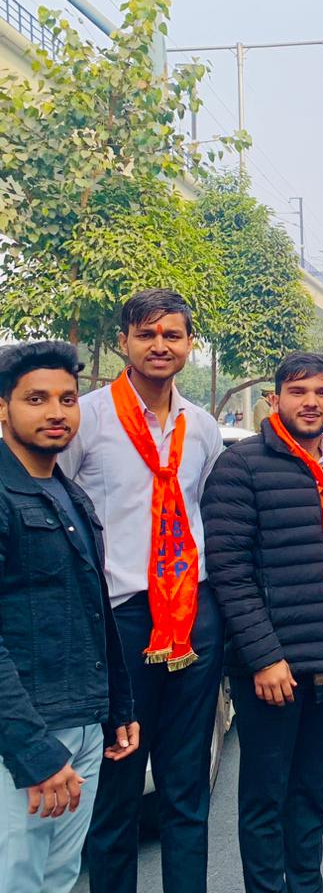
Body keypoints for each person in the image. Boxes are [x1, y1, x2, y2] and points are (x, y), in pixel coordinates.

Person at [202, 352, 323, 893]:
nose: (311, 402)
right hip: (274, 665)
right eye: (298, 391)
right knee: (265, 798)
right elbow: (229, 572)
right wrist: (263, 657)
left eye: (322, 392)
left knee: (309, 793)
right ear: (275, 399)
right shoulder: (240, 467)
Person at [60, 290, 225, 893]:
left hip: (193, 615)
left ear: (188, 344)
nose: (160, 345)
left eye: (172, 335)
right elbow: (60, 503)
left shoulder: (201, 426)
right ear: (123, 342)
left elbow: (203, 509)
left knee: (187, 786)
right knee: (118, 790)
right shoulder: (87, 418)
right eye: (147, 334)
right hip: (119, 618)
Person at [0, 341, 138, 893]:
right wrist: (32, 750)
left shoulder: (68, 493)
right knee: (18, 879)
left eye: (67, 398)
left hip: (82, 724)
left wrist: (118, 705)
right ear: (3, 407)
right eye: (36, 399)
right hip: (25, 737)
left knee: (58, 879)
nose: (56, 412)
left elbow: (93, 609)